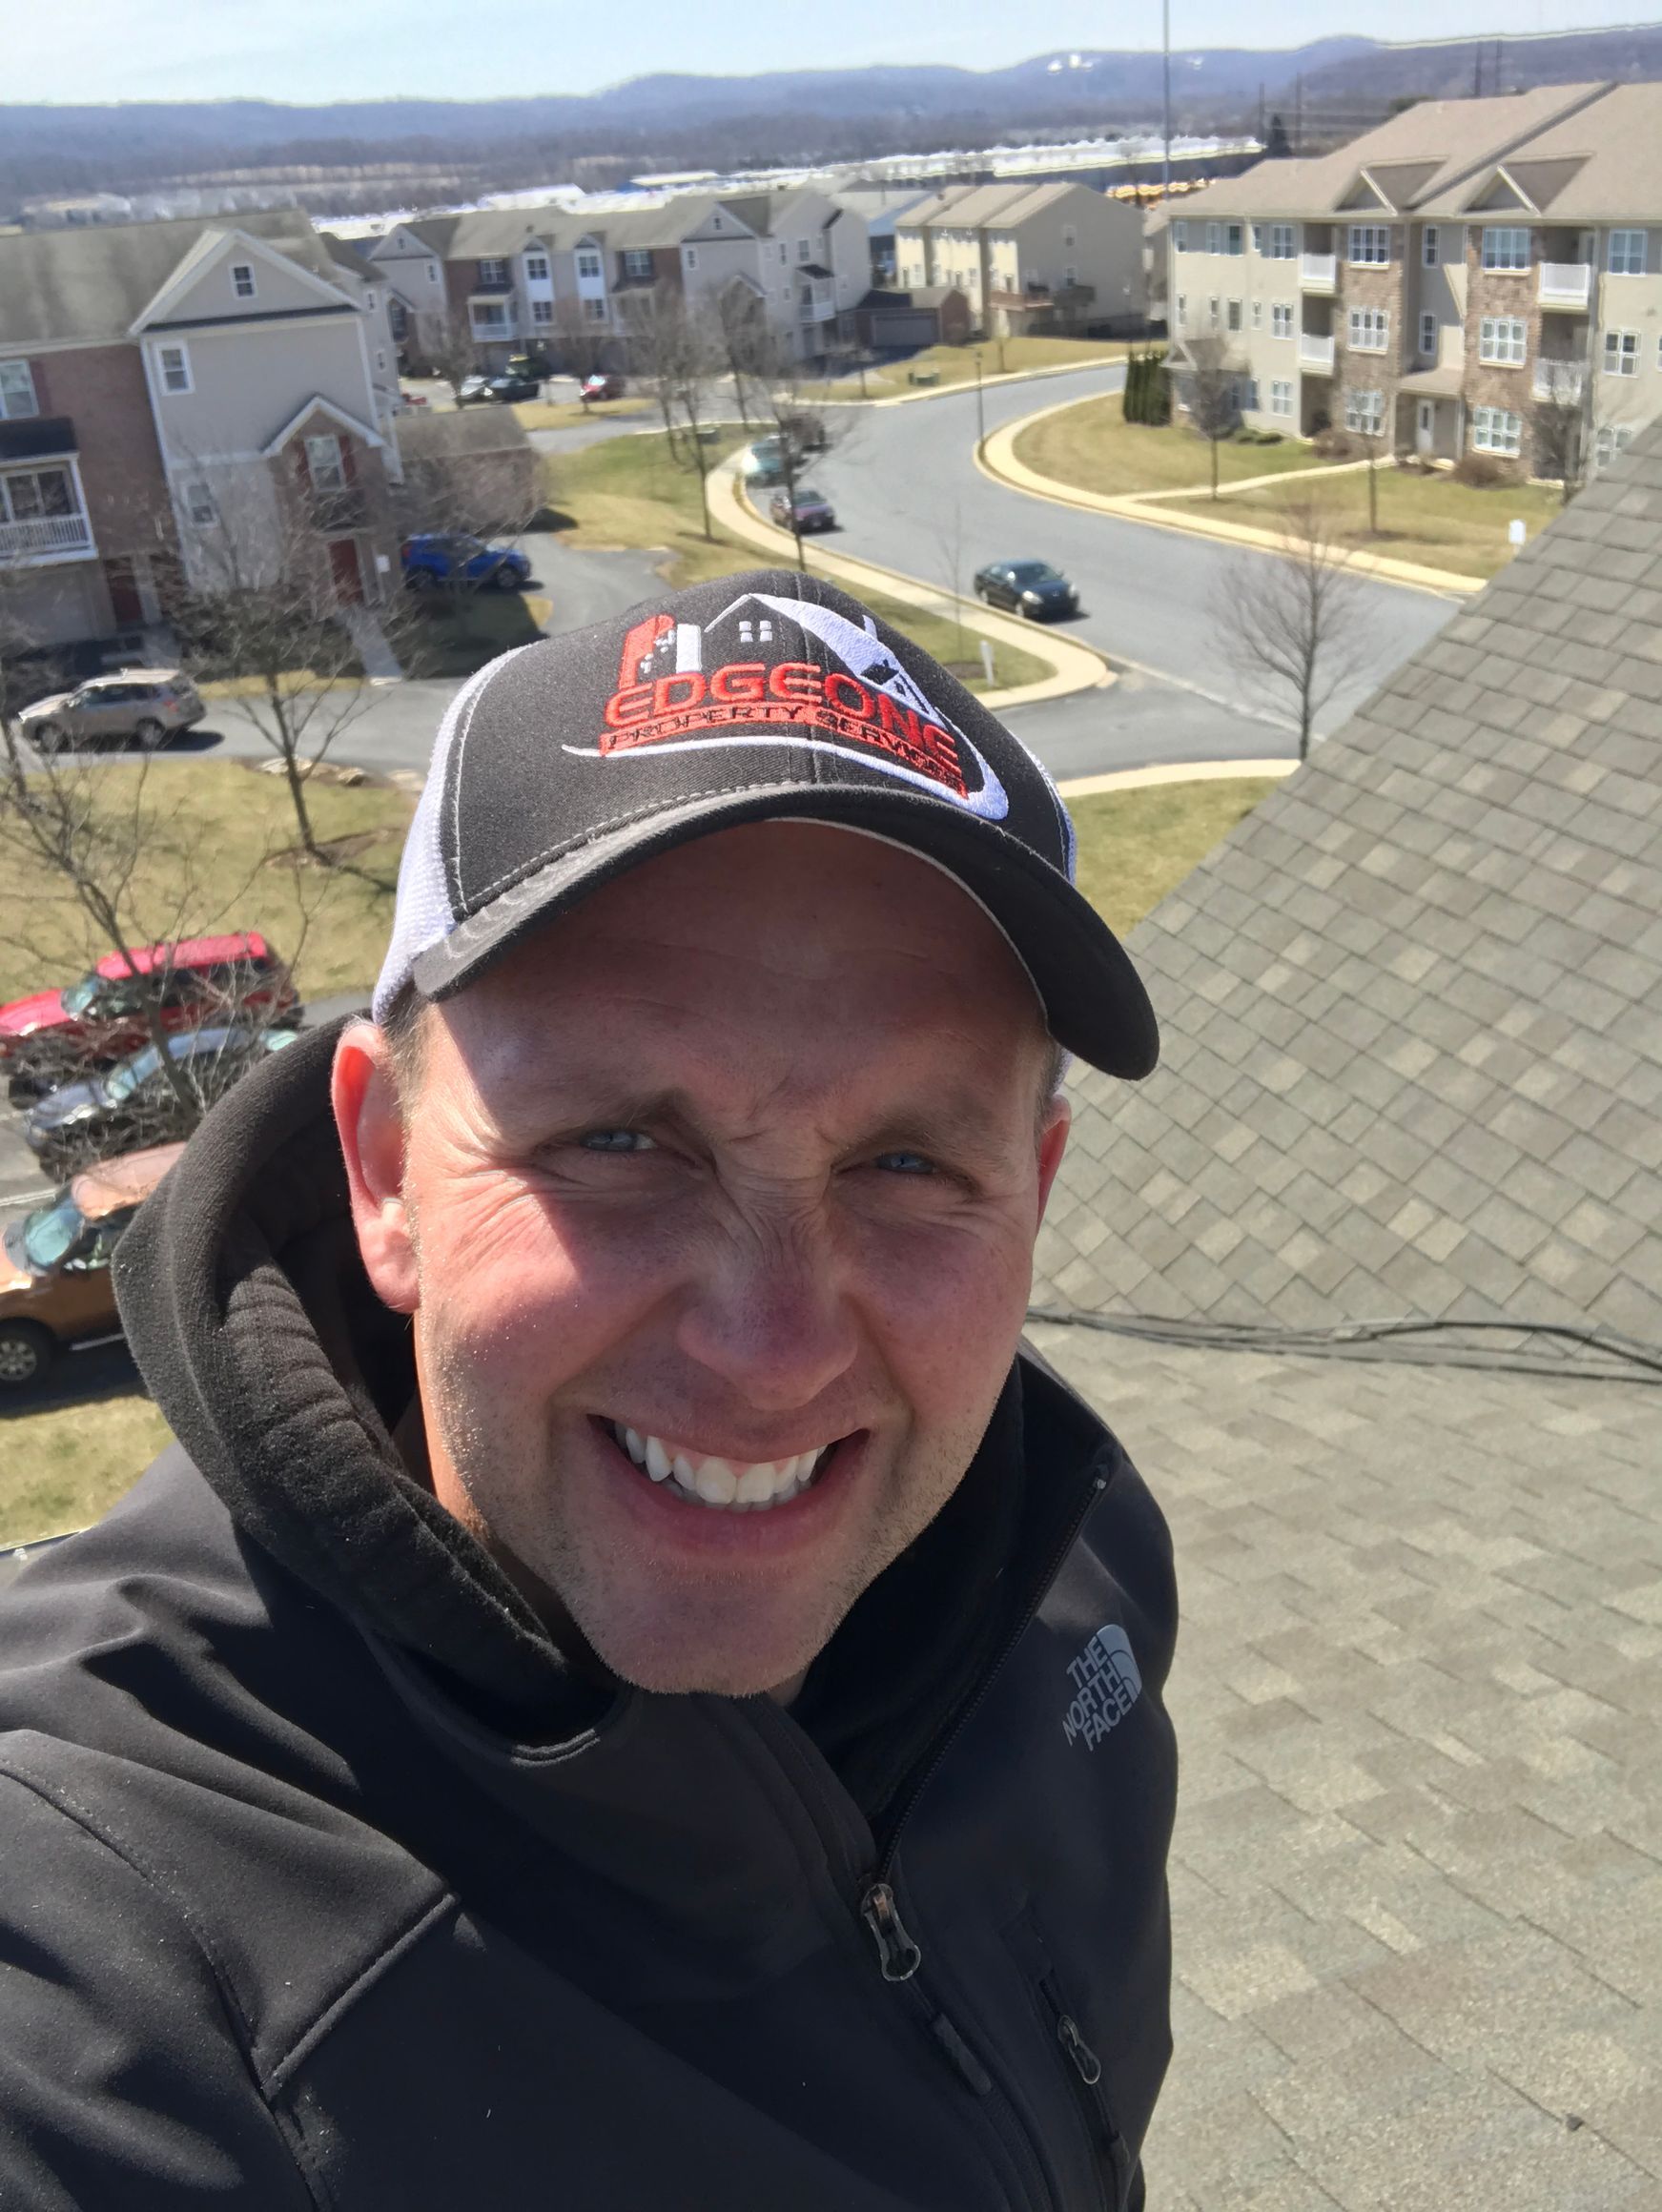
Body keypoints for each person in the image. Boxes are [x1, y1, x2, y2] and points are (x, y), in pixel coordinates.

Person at [0, 568, 1178, 2209]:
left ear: (1031, 1191)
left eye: (909, 1159)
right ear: (386, 1167)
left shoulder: (1071, 1571)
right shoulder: (104, 1917)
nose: (773, 1351)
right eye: (619, 1143)